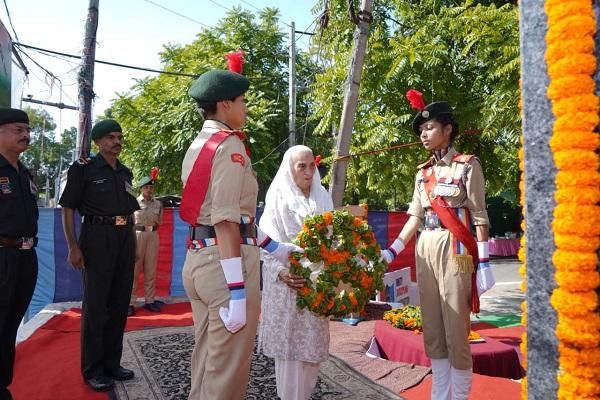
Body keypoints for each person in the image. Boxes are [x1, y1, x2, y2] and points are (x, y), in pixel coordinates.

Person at [179, 53, 300, 400]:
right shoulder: (230, 146)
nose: (246, 108)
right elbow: (226, 220)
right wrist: (235, 293)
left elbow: (230, 217)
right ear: (225, 104)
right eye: (242, 102)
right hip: (224, 267)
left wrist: (275, 247)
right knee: (227, 375)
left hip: (200, 261)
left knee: (207, 362)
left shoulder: (199, 144)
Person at [381, 97, 490, 400]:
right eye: (421, 130)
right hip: (425, 247)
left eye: (429, 127)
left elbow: (479, 215)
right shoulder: (422, 173)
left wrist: (486, 262)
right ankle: (440, 393)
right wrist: (392, 251)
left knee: (455, 325)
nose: (424, 134)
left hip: (456, 249)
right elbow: (414, 216)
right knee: (431, 326)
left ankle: (460, 396)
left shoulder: (468, 166)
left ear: (448, 129)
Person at [59, 119, 139, 392]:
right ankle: (92, 369)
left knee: (118, 303)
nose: (116, 142)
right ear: (98, 142)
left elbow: (129, 210)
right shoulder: (84, 169)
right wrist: (73, 246)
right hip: (97, 237)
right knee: (96, 306)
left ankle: (111, 363)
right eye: (110, 138)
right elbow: (68, 208)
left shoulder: (125, 172)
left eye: (119, 137)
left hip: (125, 237)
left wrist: (133, 244)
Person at [258, 145, 333, 400]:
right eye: (302, 166)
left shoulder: (323, 196)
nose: (309, 171)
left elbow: (333, 239)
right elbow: (267, 241)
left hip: (316, 285)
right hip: (287, 285)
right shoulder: (278, 195)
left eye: (312, 165)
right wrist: (281, 272)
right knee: (289, 355)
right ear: (290, 168)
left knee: (312, 354)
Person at [0, 108, 38, 400]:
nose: (26, 135)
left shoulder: (24, 173)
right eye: (18, 129)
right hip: (3, 256)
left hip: (26, 256)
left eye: (27, 130)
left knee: (10, 323)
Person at [129, 170, 163, 316]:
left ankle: (150, 301)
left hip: (153, 235)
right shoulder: (133, 203)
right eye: (146, 187)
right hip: (137, 235)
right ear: (141, 188)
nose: (149, 189)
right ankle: (130, 302)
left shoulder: (158, 204)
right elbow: (129, 222)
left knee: (151, 270)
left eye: (151, 187)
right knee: (134, 271)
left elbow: (159, 222)